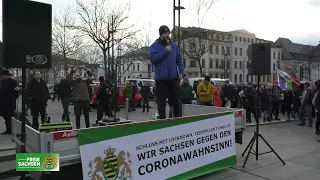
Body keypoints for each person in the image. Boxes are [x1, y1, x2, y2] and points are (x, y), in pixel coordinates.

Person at [149, 25, 184, 119]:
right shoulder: (154, 46)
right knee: (161, 104)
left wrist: (181, 72)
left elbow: (179, 61)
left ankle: (177, 120)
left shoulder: (174, 46)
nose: (168, 35)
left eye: (169, 33)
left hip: (173, 78)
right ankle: (162, 122)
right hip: (161, 79)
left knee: (176, 102)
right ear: (161, 34)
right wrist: (165, 52)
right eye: (165, 33)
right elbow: (154, 59)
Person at [0, 70, 19, 134]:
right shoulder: (1, 82)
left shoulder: (14, 82)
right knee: (5, 116)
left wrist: (12, 99)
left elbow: (17, 92)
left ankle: (11, 130)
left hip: (10, 102)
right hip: (2, 103)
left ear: (6, 75)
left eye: (2, 75)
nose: (1, 77)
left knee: (11, 117)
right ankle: (8, 129)